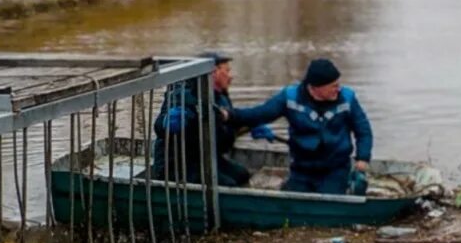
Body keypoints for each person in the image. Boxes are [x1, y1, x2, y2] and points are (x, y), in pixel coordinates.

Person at [227, 58, 373, 195]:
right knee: (294, 201)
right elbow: (259, 114)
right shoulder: (290, 97)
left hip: (336, 168)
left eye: (338, 84)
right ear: (316, 88)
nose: (338, 89)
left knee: (328, 201)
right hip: (302, 169)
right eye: (333, 86)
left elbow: (363, 130)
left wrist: (363, 158)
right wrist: (230, 115)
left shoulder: (347, 98)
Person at [152, 51, 275, 187]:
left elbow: (220, 127)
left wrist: (248, 126)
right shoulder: (183, 94)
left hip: (204, 158)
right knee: (228, 184)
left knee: (242, 174)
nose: (231, 76)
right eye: (227, 71)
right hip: (178, 165)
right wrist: (166, 123)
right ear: (213, 72)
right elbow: (160, 126)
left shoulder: (220, 97)